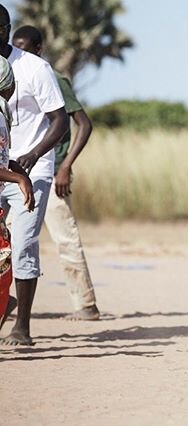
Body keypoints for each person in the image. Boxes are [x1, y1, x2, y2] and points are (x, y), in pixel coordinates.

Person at [11, 25, 100, 321]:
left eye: (26, 48)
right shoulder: (8, 72)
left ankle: (86, 304)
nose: (19, 53)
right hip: (14, 171)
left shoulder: (51, 78)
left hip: (46, 171)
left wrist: (65, 166)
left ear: (38, 49)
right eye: (16, 46)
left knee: (64, 238)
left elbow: (81, 123)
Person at [0, 5, 69, 346]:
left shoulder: (34, 67)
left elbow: (61, 120)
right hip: (0, 167)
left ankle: (22, 326)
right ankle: (5, 300)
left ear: (5, 29)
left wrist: (32, 155)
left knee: (24, 242)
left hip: (31, 166)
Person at [0, 55, 35, 331]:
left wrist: (20, 175)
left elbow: (2, 159)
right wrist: (18, 180)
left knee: (4, 267)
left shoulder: (2, 113)